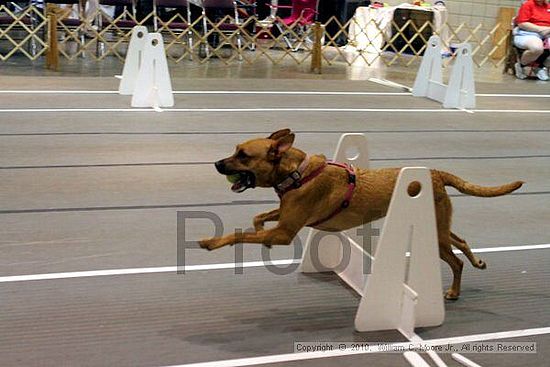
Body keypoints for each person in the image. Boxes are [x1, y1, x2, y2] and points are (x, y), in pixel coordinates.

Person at [513, 0, 550, 81]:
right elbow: (522, 23)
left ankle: (539, 66)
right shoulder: (527, 4)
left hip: (547, 32)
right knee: (536, 48)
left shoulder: (548, 6)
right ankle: (521, 65)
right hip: (528, 32)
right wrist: (540, 29)